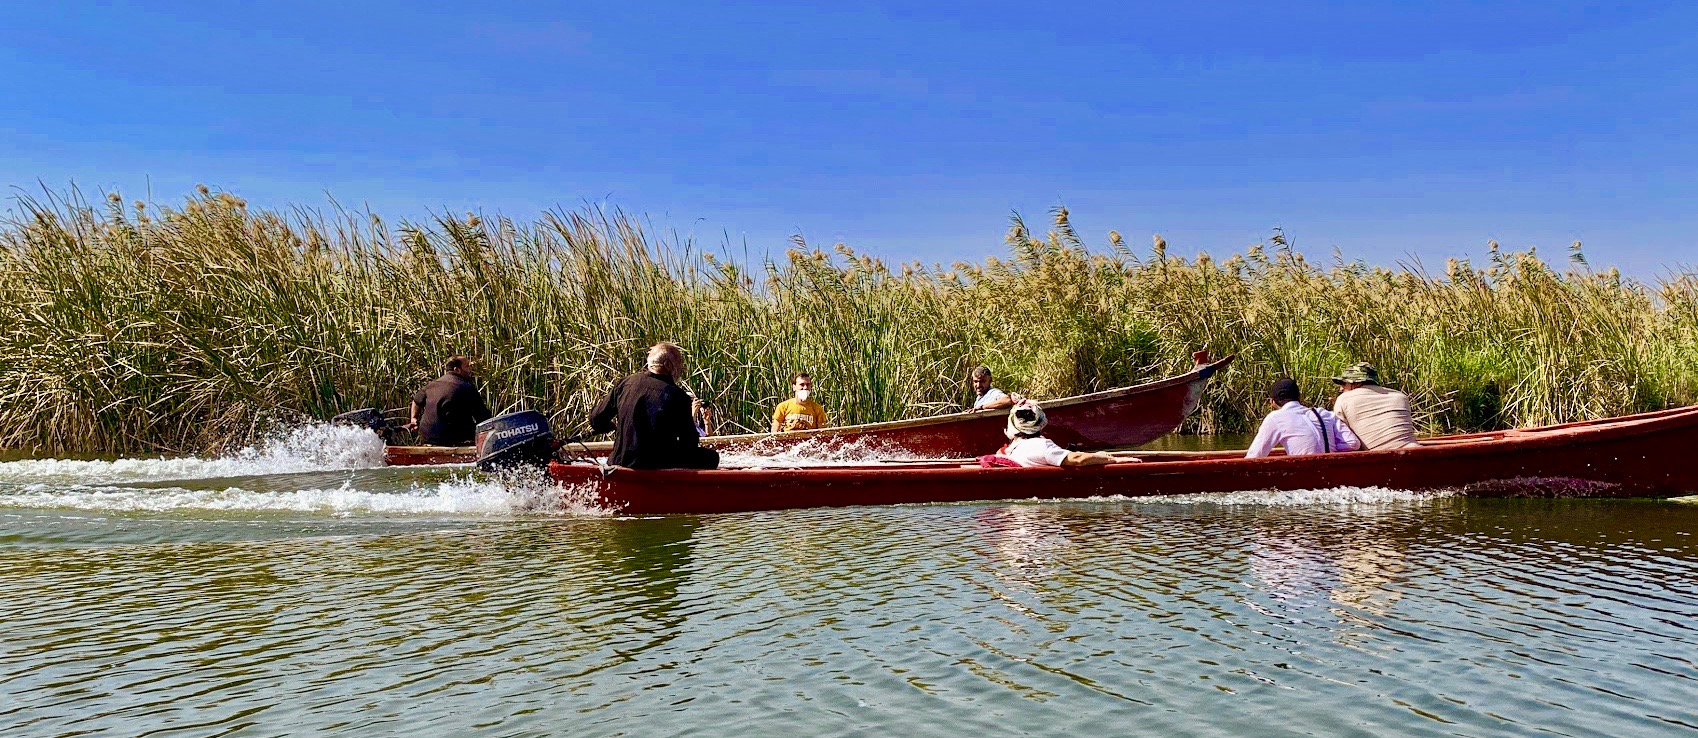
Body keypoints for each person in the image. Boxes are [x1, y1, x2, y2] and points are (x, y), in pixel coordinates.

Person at [589, 342, 719, 470]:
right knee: (712, 457)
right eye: (680, 363)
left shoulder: (625, 384)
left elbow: (596, 419)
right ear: (668, 365)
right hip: (657, 464)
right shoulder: (678, 396)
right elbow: (689, 443)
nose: (681, 368)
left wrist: (609, 426)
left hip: (620, 460)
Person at [1246, 378, 1361, 458]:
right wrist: (1330, 448)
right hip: (1331, 479)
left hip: (1303, 479)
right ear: (1299, 397)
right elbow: (1353, 443)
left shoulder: (1275, 418)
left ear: (1272, 402)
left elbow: (1255, 455)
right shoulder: (1326, 414)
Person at [994, 399, 1120, 467]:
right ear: (1041, 422)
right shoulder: (1042, 446)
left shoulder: (1012, 448)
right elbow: (1078, 459)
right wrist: (1109, 458)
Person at [1331, 362, 1420, 450]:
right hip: (1414, 451)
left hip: (1377, 459)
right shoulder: (1400, 396)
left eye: (1344, 383)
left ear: (1356, 383)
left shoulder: (1344, 399)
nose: (1341, 388)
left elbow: (1344, 439)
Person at [406, 355, 493, 446]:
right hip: (452, 439)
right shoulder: (466, 387)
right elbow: (483, 417)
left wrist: (413, 418)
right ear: (457, 369)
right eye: (467, 366)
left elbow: (416, 401)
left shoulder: (432, 385)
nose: (470, 369)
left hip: (427, 437)